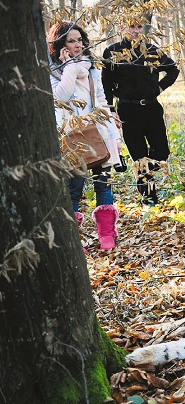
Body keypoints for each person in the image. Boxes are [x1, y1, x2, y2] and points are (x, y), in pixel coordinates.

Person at [49, 21, 122, 250]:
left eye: (79, 39)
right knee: (74, 189)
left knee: (104, 183)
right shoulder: (52, 71)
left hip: (97, 130)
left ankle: (106, 235)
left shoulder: (91, 66)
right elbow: (60, 97)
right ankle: (73, 241)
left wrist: (112, 128)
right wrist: (70, 66)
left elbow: (100, 98)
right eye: (71, 40)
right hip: (71, 134)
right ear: (60, 44)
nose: (77, 44)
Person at [102, 18, 180, 206]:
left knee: (162, 152)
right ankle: (150, 199)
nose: (136, 31)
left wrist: (159, 88)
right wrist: (111, 110)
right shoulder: (112, 51)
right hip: (128, 110)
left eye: (139, 27)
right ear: (122, 27)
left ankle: (145, 174)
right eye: (132, 26)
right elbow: (106, 84)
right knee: (139, 156)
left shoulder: (152, 50)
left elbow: (173, 70)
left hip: (152, 109)